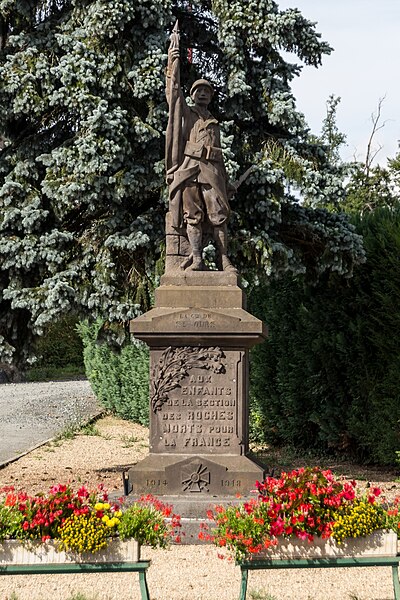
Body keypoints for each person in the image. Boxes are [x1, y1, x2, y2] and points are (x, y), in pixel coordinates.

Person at [165, 26, 236, 272]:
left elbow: (219, 156)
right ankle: (196, 258)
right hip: (189, 169)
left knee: (218, 215)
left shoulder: (214, 122)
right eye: (199, 91)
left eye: (207, 91)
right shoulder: (187, 112)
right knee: (192, 216)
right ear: (193, 95)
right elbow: (173, 94)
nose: (203, 94)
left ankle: (224, 259)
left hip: (211, 171)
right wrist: (174, 56)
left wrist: (225, 182)